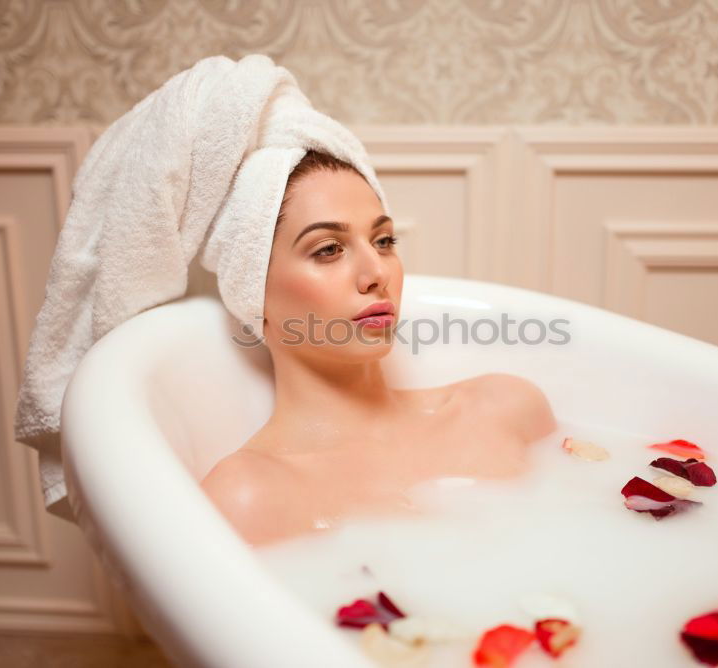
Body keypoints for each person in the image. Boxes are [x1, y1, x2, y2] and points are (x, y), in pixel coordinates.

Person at [200, 150, 557, 547]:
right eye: (328, 249)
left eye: (383, 241)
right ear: (253, 290)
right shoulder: (249, 497)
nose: (377, 274)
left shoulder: (505, 409)